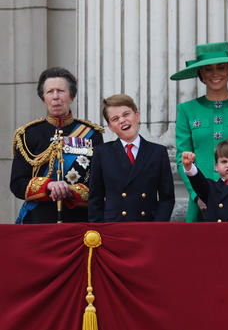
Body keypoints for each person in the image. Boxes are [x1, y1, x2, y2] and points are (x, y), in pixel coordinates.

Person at [170, 42, 228, 222]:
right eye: (208, 69)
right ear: (201, 74)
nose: (215, 74)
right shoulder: (186, 110)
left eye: (221, 68)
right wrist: (197, 195)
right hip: (200, 200)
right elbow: (183, 159)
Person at [10, 67, 104, 223]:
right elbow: (17, 184)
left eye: (61, 91)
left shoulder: (92, 134)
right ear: (43, 98)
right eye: (50, 92)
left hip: (79, 222)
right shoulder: (29, 134)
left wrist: (70, 191)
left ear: (71, 96)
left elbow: (100, 184)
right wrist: (48, 185)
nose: (55, 97)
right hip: (38, 221)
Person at [88, 94, 175, 222]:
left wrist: (158, 227)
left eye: (126, 114)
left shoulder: (158, 152)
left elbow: (167, 198)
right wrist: (100, 230)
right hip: (114, 227)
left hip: (148, 225)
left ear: (137, 115)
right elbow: (95, 199)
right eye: (115, 118)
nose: (122, 120)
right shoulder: (102, 153)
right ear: (110, 126)